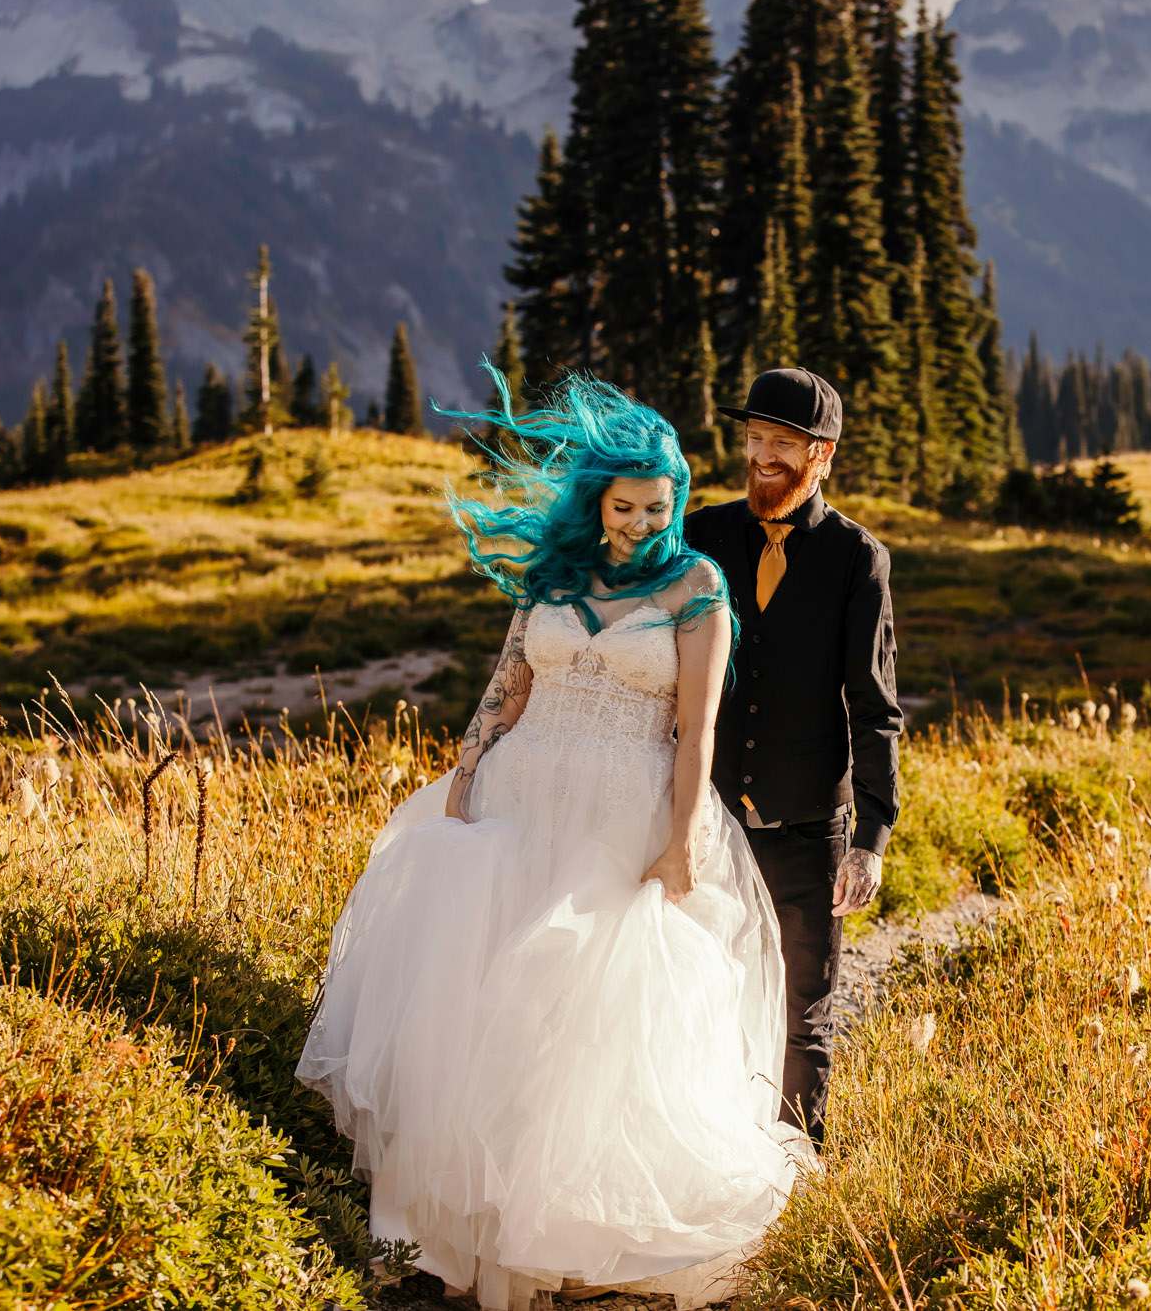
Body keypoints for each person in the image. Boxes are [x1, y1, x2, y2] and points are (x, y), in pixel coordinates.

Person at [297, 374, 810, 1311]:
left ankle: (551, 1234)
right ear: (596, 502)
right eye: (625, 506)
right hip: (519, 800)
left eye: (661, 505)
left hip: (620, 816)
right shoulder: (555, 576)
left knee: (573, 1016)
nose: (643, 522)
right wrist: (463, 769)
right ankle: (451, 1229)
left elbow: (695, 730)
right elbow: (507, 684)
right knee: (473, 1006)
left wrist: (683, 838)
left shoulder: (699, 586)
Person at [682, 367, 903, 1148]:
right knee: (695, 994)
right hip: (704, 821)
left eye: (785, 442)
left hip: (810, 829)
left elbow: (875, 705)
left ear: (823, 456)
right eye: (756, 438)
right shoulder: (699, 533)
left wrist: (872, 838)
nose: (765, 454)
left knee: (802, 1009)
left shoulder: (855, 558)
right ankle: (709, 1159)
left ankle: (795, 1175)